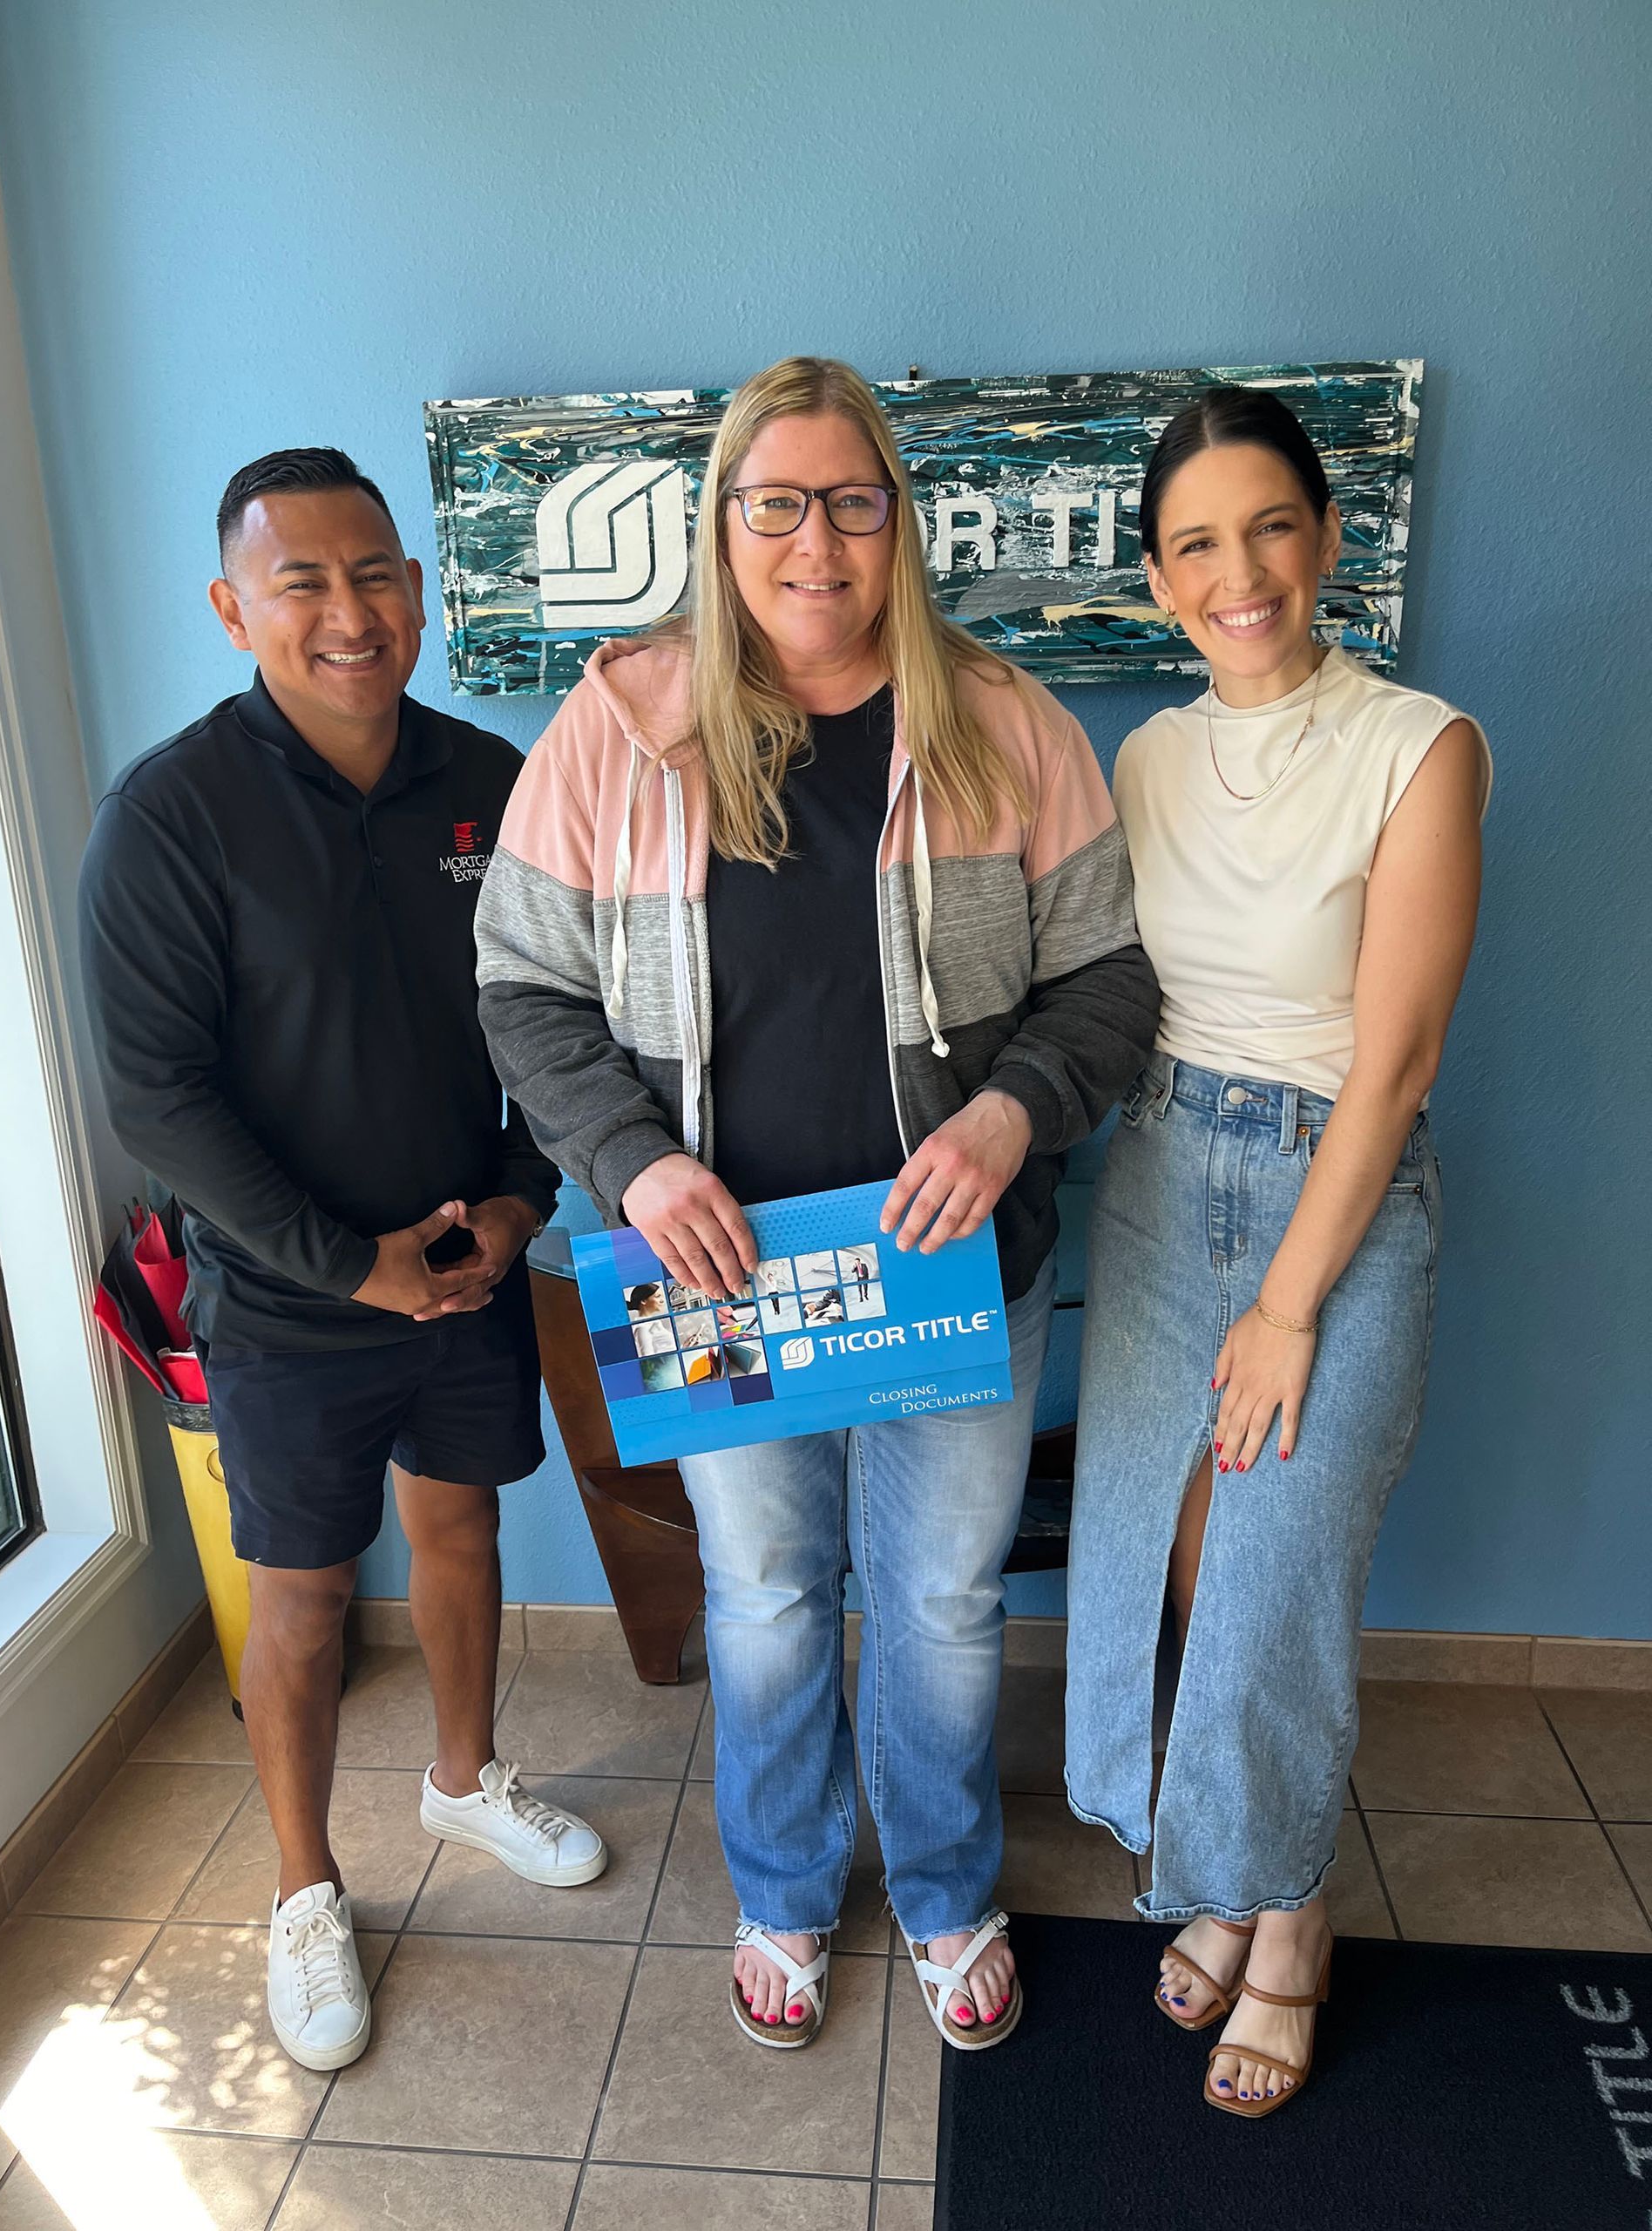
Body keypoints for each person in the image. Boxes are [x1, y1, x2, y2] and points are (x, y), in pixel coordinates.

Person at [477, 356, 1160, 2051]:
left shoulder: (1006, 719)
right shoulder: (617, 727)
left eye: (850, 500)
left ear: (897, 520)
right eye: (773, 502)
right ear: (720, 527)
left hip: (945, 1267)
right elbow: (523, 987)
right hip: (718, 1279)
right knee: (770, 1590)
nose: (815, 540)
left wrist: (1011, 1114)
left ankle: (942, 1886)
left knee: (936, 1594)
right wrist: (636, 1160)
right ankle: (785, 1887)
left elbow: (1109, 978)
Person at [78, 448, 608, 2074]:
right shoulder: (171, 814)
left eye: (374, 574)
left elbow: (567, 1018)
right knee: (302, 1598)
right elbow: (157, 1094)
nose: (348, 611)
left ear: (421, 591)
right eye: (300, 582)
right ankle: (307, 1889)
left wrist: (518, 1204)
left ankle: (464, 1779)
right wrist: (341, 1262)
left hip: (464, 1261)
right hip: (290, 1299)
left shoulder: (494, 781)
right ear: (236, 609)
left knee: (460, 1528)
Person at [1063, 388, 1490, 2116]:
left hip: (1342, 1189)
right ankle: (1235, 1865)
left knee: (1275, 1567)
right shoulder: (1146, 756)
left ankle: (1290, 1914)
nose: (1236, 573)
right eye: (1194, 545)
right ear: (1160, 580)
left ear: (1322, 537)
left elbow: (1393, 1056)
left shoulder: (1422, 743)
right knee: (1181, 1560)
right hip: (1165, 1169)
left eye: (1267, 529)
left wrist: (1293, 1302)